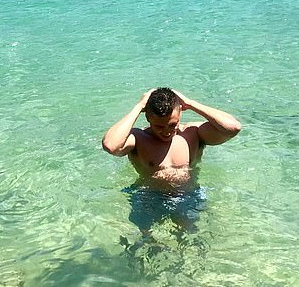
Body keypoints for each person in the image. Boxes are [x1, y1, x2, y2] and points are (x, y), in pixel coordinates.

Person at [102, 88, 241, 236]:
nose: (167, 131)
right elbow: (111, 145)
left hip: (187, 195)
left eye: (172, 124)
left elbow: (233, 128)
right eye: (159, 126)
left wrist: (190, 103)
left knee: (189, 241)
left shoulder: (193, 133)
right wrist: (139, 106)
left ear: (180, 112)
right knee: (146, 243)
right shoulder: (139, 138)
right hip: (148, 197)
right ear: (148, 117)